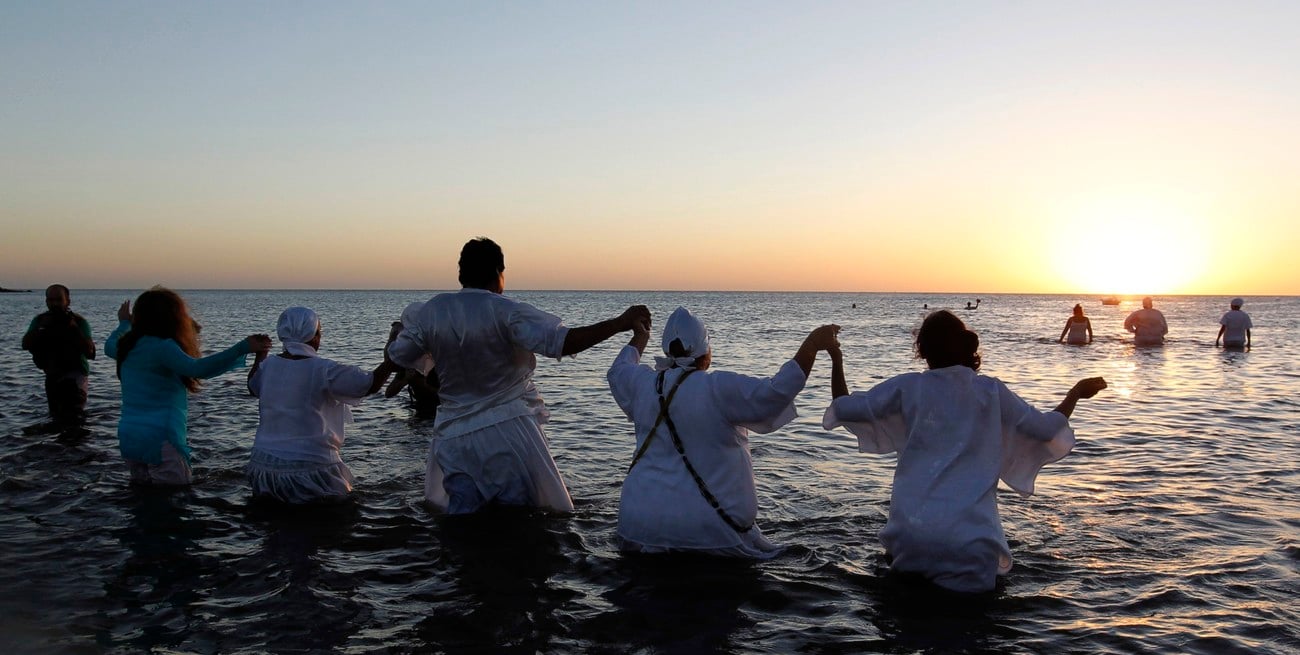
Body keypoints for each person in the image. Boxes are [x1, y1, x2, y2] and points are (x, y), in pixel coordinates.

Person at [822, 310, 1106, 593]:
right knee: (973, 626)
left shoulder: (907, 387)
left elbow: (843, 407)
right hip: (971, 544)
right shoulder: (991, 391)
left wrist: (836, 359)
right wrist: (1075, 394)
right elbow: (1045, 430)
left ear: (922, 350)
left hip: (911, 539)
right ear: (964, 347)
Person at [387, 237, 651, 514]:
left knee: (463, 522)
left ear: (461, 273)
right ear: (498, 273)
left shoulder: (432, 311)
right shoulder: (506, 311)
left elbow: (398, 356)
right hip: (508, 433)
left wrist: (396, 335)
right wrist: (620, 323)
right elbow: (563, 341)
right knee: (521, 521)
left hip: (453, 439)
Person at [607, 307, 840, 558]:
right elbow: (778, 390)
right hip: (707, 535)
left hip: (637, 528)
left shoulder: (640, 383)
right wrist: (813, 343)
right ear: (705, 352)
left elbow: (618, 369)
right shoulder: (717, 387)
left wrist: (640, 338)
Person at [105, 287, 271, 486]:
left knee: (141, 496)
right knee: (173, 501)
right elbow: (197, 368)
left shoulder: (127, 346)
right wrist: (242, 348)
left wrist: (124, 322)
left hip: (130, 436)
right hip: (161, 438)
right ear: (172, 317)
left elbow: (109, 344)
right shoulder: (162, 347)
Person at [245, 307, 400, 504]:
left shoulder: (268, 366)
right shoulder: (324, 370)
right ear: (313, 336)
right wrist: (389, 363)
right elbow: (368, 384)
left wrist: (261, 355)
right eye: (319, 332)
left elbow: (253, 386)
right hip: (309, 468)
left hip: (263, 467)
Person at [21, 284, 96, 422]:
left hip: (75, 375)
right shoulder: (40, 321)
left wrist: (73, 329)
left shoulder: (79, 322)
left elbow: (90, 352)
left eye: (58, 299)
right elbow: (25, 344)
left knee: (74, 418)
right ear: (46, 301)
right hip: (52, 374)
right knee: (55, 417)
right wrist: (41, 328)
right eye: (51, 300)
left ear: (67, 301)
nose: (54, 303)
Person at [384, 302, 440, 414]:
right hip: (419, 408)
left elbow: (449, 395)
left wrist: (421, 384)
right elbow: (388, 393)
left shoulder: (438, 358)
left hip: (438, 409)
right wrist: (405, 381)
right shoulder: (409, 359)